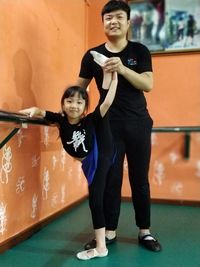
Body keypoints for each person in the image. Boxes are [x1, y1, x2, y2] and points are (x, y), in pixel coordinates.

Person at [76, 0, 161, 252]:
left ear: (127, 22)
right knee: (110, 180)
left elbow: (147, 84)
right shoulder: (92, 55)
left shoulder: (139, 51)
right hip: (107, 126)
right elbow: (79, 89)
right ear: (103, 22)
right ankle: (109, 232)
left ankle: (144, 231)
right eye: (108, 18)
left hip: (138, 124)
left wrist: (122, 69)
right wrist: (71, 118)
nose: (113, 21)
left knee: (140, 180)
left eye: (118, 17)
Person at [20, 61, 118, 260]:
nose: (74, 105)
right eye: (70, 101)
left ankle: (101, 247)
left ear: (84, 107)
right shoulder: (61, 120)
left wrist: (115, 77)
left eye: (79, 102)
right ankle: (101, 243)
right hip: (89, 163)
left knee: (95, 201)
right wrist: (33, 111)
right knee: (97, 199)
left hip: (99, 158)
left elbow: (106, 102)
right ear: (63, 103)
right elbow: (42, 112)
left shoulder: (89, 120)